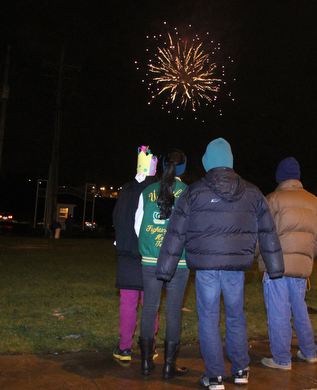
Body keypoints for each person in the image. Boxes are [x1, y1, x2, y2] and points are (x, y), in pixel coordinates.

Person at [156, 137, 285, 390]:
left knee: (208, 318)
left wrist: (164, 268)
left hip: (205, 266)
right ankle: (240, 369)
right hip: (236, 267)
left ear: (207, 162)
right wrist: (275, 266)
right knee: (236, 316)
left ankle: (214, 375)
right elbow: (268, 231)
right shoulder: (252, 192)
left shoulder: (194, 192)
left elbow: (176, 232)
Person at [257, 157, 317, 371]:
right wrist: (308, 255)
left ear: (279, 177)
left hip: (276, 265)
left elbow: (262, 233)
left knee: (279, 311)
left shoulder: (272, 199)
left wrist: (258, 257)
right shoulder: (314, 201)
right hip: (301, 267)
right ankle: (309, 352)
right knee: (300, 308)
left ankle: (281, 358)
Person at [135, 149, 189, 378]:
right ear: (183, 168)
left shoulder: (147, 191)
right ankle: (169, 365)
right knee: (174, 311)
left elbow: (138, 226)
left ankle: (146, 363)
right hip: (179, 260)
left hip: (150, 259)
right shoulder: (188, 193)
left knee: (149, 308)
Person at [112, 146, 159, 362]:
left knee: (128, 303)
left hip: (129, 253)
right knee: (151, 303)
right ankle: (150, 346)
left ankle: (125, 348)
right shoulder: (159, 190)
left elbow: (118, 217)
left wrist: (121, 242)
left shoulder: (128, 189)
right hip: (152, 252)